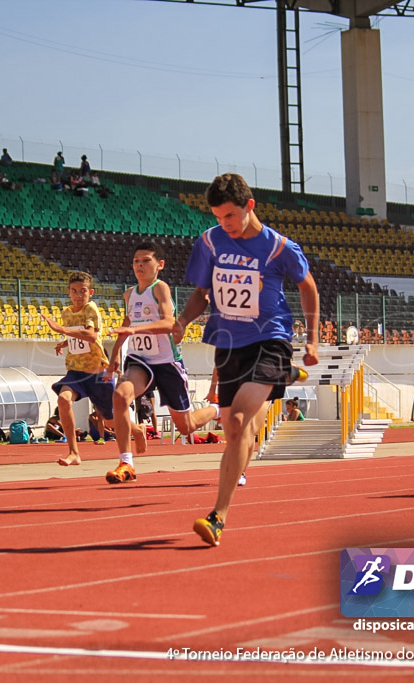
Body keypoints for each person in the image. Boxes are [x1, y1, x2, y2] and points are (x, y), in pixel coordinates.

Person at [175, 173, 319, 547]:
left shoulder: (278, 248)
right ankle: (284, 375)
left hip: (270, 339)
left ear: (249, 206)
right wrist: (182, 321)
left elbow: (308, 287)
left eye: (230, 216)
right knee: (237, 431)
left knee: (237, 423)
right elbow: (201, 293)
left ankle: (218, 516)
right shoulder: (209, 241)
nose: (225, 224)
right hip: (228, 343)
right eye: (219, 217)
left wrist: (313, 339)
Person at [103, 241, 220, 484]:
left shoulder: (160, 288)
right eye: (136, 261)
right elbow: (126, 325)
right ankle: (126, 463)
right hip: (140, 360)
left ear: (160, 265)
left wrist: (137, 330)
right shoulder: (129, 294)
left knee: (186, 427)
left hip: (167, 361)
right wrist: (115, 355)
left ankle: (218, 409)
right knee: (119, 396)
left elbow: (169, 323)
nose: (140, 265)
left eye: (146, 261)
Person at [42, 271, 117, 467]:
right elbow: (77, 336)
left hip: (96, 371)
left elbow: (91, 336)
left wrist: (61, 330)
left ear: (90, 292)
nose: (78, 295)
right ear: (68, 292)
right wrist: (64, 343)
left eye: (83, 291)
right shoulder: (66, 313)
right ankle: (74, 452)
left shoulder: (91, 308)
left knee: (111, 422)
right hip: (76, 371)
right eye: (74, 291)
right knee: (63, 399)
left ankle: (137, 429)